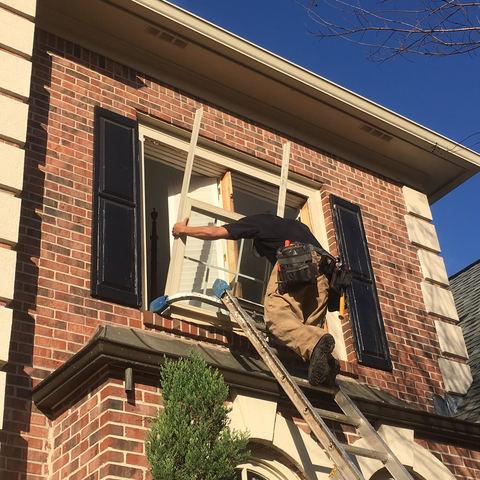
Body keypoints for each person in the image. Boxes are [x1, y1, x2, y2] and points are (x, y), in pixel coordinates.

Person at [172, 213, 339, 386]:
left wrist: (183, 229)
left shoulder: (258, 222)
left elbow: (214, 232)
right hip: (324, 273)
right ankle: (329, 365)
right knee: (309, 328)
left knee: (276, 317)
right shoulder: (299, 227)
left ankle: (315, 344)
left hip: (296, 259)